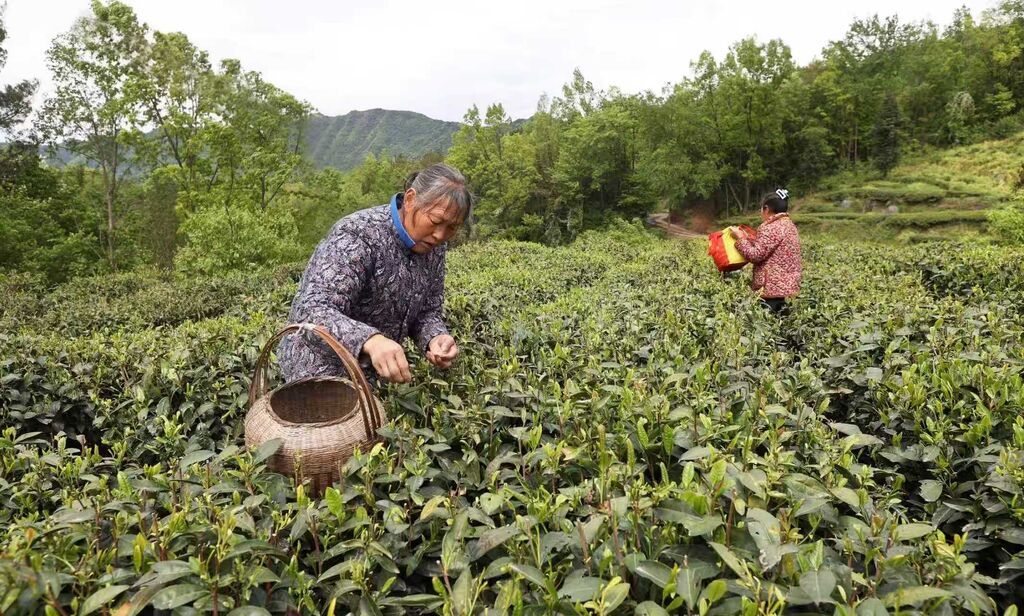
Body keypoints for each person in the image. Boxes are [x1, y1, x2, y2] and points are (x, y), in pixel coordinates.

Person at [277, 163, 471, 384]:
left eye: (451, 228)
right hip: (319, 373)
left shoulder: (434, 247)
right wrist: (371, 340)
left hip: (373, 375)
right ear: (410, 200)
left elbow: (427, 311)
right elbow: (311, 310)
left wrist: (435, 337)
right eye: (435, 221)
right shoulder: (358, 234)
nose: (440, 235)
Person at [729, 188, 802, 314]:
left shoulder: (771, 227)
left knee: (766, 320)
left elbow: (755, 255)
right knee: (782, 320)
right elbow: (768, 247)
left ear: (766, 209)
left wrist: (740, 239)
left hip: (771, 289)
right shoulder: (789, 225)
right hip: (786, 287)